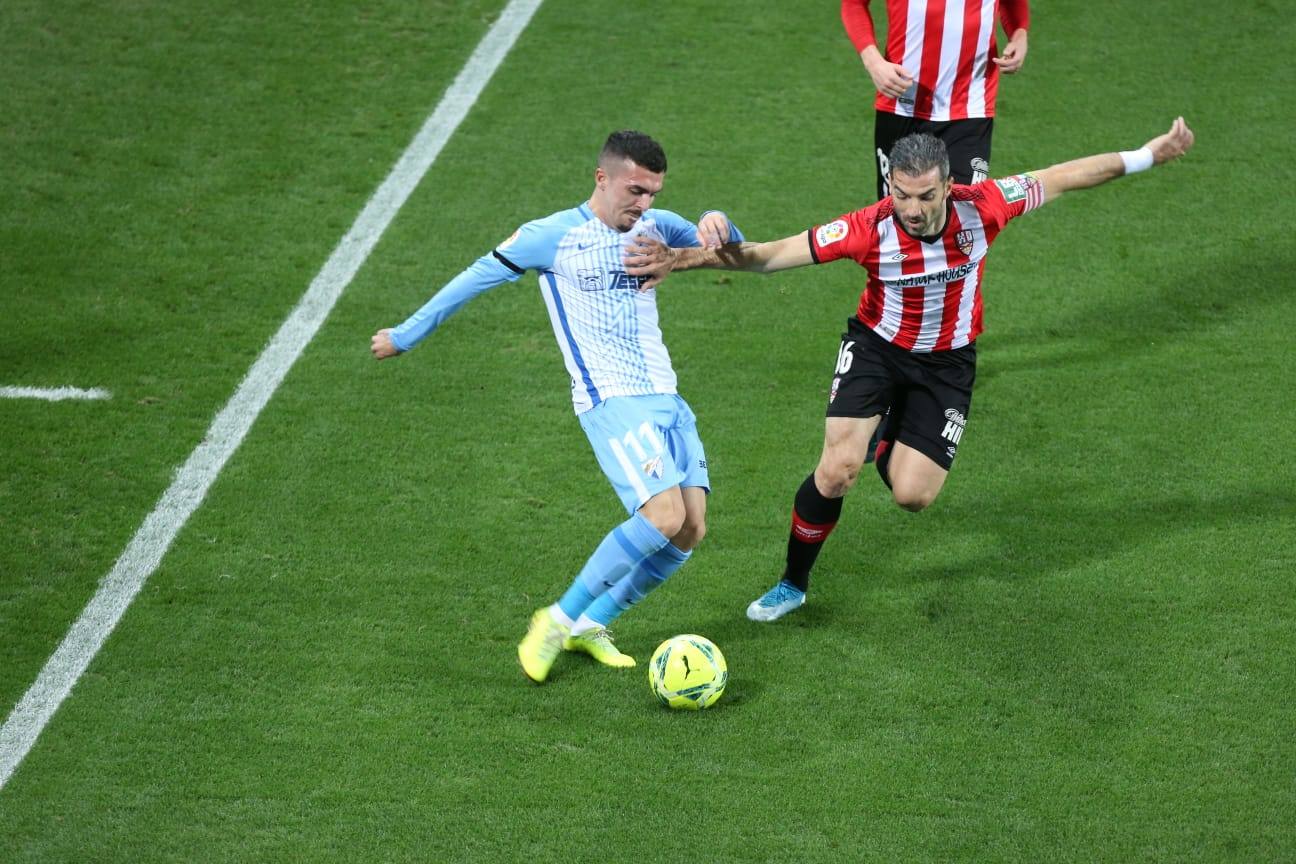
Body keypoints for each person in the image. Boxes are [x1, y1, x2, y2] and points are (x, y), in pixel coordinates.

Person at [624, 118, 1194, 622]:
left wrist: (1148, 155)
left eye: (925, 196)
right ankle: (792, 584)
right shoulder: (868, 228)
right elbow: (769, 256)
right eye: (902, 195)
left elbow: (1066, 174)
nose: (913, 210)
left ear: (949, 185)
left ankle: (890, 430)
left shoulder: (986, 206)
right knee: (837, 469)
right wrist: (680, 258)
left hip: (948, 364)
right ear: (889, 186)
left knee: (912, 495)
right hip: (877, 349)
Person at [370, 130, 741, 682]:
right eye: (635, 190)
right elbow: (473, 279)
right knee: (661, 517)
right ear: (602, 177)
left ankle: (592, 624)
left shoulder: (656, 229)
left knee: (690, 530)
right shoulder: (553, 237)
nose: (644, 204)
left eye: (653, 193)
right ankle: (557, 620)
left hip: (666, 395)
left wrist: (718, 221)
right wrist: (406, 333)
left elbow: (733, 250)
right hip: (610, 398)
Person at [842, 0, 1030, 199]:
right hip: (903, 104)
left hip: (970, 108)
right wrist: (873, 62)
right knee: (898, 220)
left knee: (964, 214)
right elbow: (853, 4)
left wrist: (1019, 35)